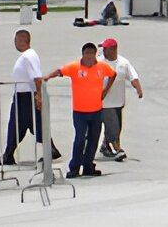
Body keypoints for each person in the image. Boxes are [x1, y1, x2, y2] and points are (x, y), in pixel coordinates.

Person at [42, 42, 116, 178]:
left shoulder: (102, 67)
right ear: (83, 54)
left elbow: (113, 74)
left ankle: (88, 166)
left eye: (91, 54)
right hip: (80, 112)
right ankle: (74, 167)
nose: (89, 57)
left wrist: (105, 90)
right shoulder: (75, 67)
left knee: (93, 139)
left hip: (96, 111)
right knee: (80, 139)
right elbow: (60, 71)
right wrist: (47, 77)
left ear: (95, 55)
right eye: (86, 53)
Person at [0, 29, 61, 167]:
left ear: (23, 40)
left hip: (26, 97)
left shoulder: (28, 57)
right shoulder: (28, 55)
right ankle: (10, 154)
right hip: (23, 96)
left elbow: (37, 77)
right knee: (30, 126)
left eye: (16, 40)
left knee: (19, 125)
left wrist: (38, 96)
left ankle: (9, 155)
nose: (15, 43)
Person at [97, 39, 143, 162]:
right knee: (113, 126)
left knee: (116, 126)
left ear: (113, 49)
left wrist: (138, 88)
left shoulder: (123, 62)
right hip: (103, 102)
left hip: (118, 101)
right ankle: (115, 149)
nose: (103, 51)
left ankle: (106, 145)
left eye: (106, 48)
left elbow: (132, 76)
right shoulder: (99, 62)